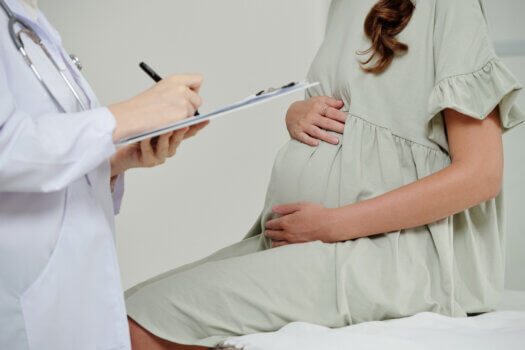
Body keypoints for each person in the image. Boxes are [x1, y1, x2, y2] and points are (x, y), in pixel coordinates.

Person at [125, 0, 525, 349]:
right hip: (314, 240)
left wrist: (333, 225)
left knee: (134, 326)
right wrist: (297, 113)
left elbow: (480, 174)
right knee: (121, 307)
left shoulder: (449, 5)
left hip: (403, 256)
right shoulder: (342, 4)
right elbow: (355, 110)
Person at [0, 0, 207, 349]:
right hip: (26, 292)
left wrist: (112, 160)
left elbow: (50, 147)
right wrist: (126, 116)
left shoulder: (32, 20)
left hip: (76, 287)